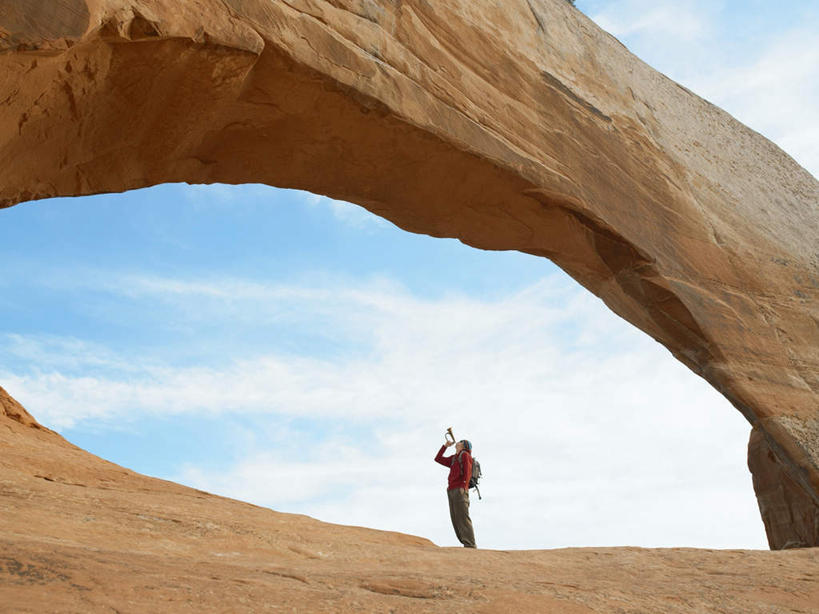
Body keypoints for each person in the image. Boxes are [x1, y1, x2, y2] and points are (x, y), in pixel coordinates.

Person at [434, 438, 476, 548]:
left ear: (465, 446)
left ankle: (470, 545)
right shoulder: (454, 458)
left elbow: (467, 472)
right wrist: (445, 446)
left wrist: (463, 487)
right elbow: (438, 459)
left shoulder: (465, 455)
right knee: (455, 519)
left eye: (461, 441)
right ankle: (465, 543)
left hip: (460, 490)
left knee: (463, 517)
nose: (458, 442)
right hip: (451, 490)